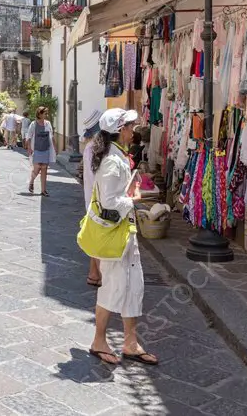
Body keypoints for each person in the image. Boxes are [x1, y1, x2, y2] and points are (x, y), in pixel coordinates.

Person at [88, 108, 158, 366]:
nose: (133, 130)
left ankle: (130, 342)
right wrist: (134, 198)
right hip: (115, 235)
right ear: (120, 130)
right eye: (129, 126)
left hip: (124, 233)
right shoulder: (112, 161)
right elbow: (109, 201)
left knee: (133, 286)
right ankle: (98, 341)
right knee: (113, 288)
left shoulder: (116, 157)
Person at [80, 108, 104, 287]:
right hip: (97, 198)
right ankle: (99, 274)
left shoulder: (90, 147)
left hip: (91, 196)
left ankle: (93, 274)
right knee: (99, 238)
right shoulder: (95, 149)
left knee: (94, 235)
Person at [25, 106, 54, 196]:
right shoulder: (34, 124)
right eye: (45, 113)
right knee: (37, 169)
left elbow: (51, 136)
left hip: (46, 149)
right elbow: (29, 137)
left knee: (44, 169)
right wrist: (29, 148)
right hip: (37, 150)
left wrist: (55, 147)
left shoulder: (48, 123)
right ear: (40, 114)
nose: (46, 115)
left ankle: (43, 190)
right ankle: (31, 181)